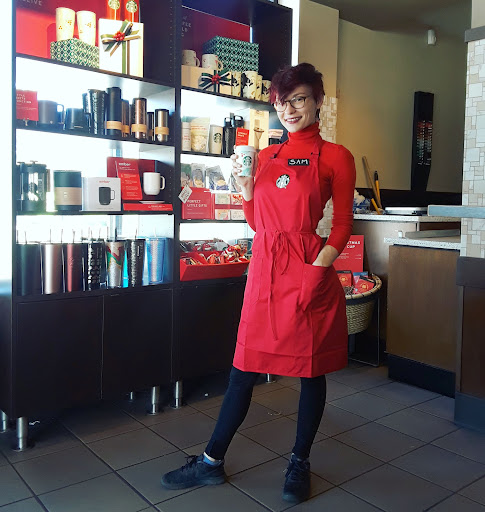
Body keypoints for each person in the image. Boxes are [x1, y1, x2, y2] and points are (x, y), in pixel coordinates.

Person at [161, 63, 356, 504]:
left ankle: (299, 462)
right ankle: (211, 462)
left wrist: (316, 271)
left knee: (310, 370)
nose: (289, 110)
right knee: (243, 369)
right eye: (282, 102)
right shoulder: (266, 156)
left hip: (306, 270)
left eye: (299, 99)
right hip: (265, 270)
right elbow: (256, 223)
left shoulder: (335, 157)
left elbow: (343, 225)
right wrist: (246, 188)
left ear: (318, 101)